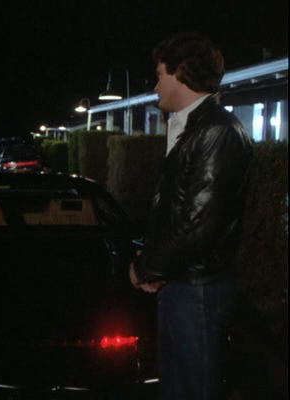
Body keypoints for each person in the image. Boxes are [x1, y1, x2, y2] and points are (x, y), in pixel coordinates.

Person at [129, 33, 253, 400]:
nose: (155, 86)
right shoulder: (196, 127)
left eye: (159, 75)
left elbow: (197, 227)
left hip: (196, 289)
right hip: (184, 282)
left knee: (193, 388)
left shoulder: (215, 131)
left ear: (181, 71)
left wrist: (145, 268)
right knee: (178, 385)